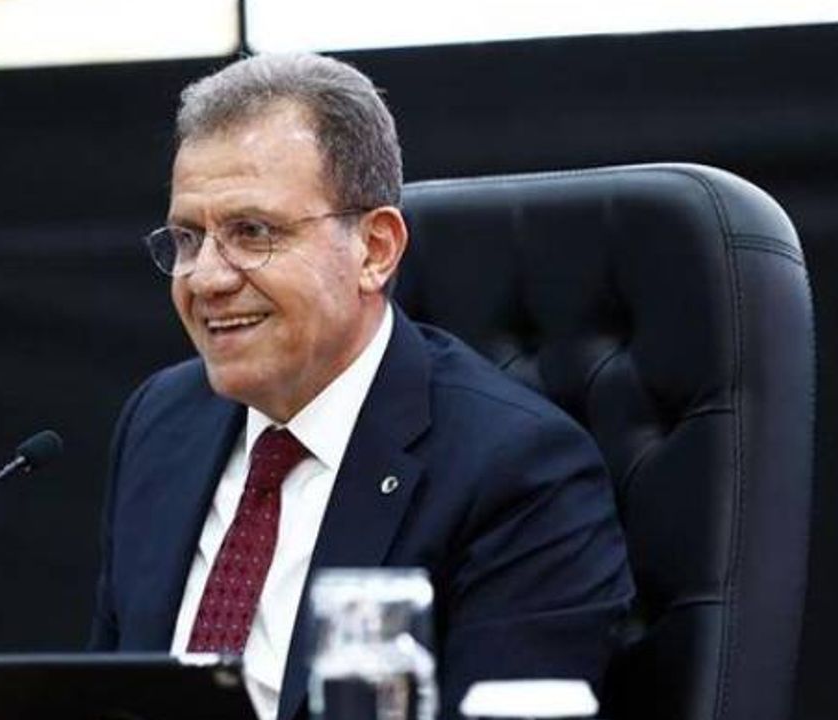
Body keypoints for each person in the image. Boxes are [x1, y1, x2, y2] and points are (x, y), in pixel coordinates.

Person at [89, 52, 633, 720]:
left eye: (251, 233)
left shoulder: (517, 472)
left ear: (375, 250)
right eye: (187, 238)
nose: (205, 277)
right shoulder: (161, 422)